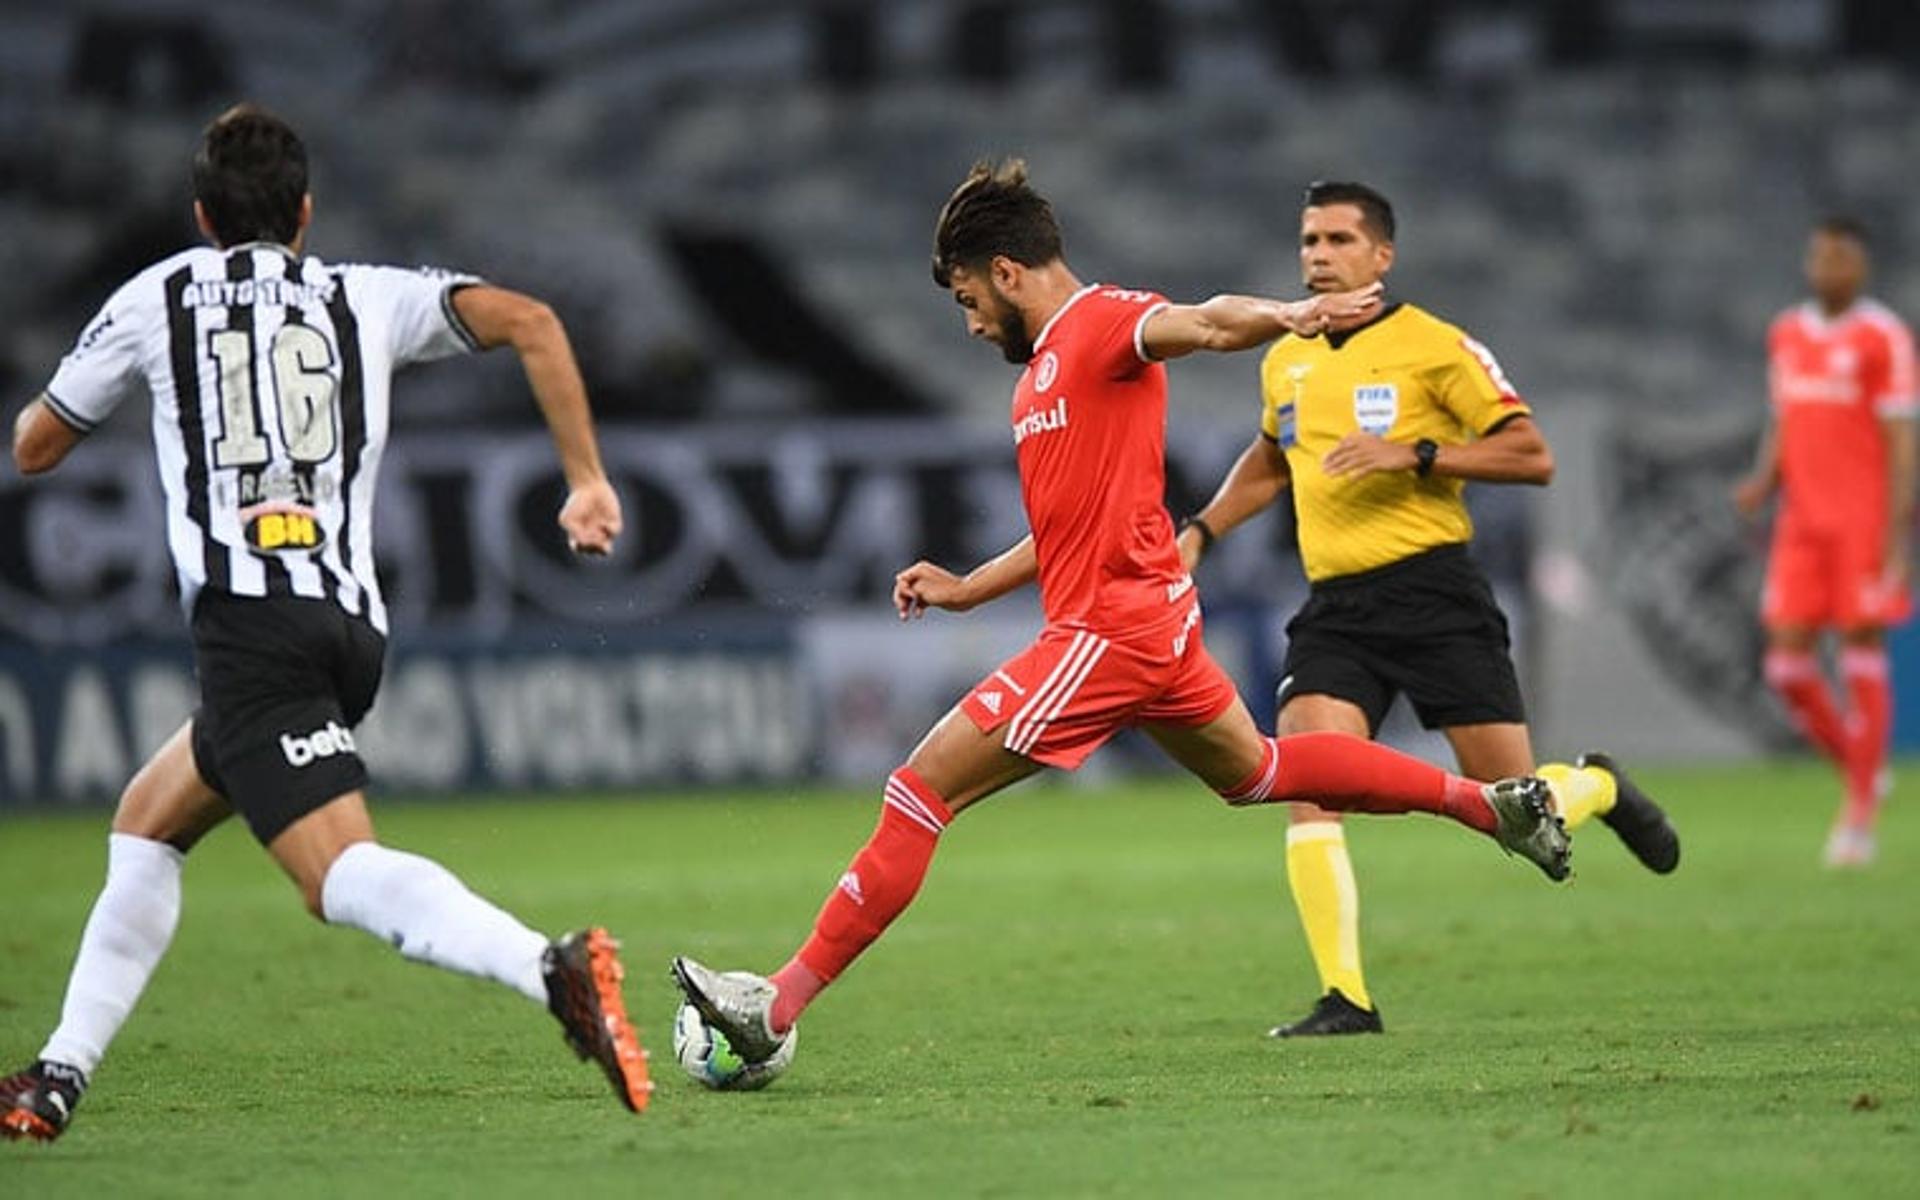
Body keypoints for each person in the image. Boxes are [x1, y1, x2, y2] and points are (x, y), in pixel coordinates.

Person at [669, 160, 1576, 1069]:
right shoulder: (1038, 382)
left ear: (1007, 271)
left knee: (919, 791)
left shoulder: (1102, 323)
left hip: (1108, 633)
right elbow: (1060, 529)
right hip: (1153, 628)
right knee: (1261, 770)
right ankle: (1491, 809)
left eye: (967, 297)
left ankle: (774, 1008)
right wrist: (966, 587)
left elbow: (1209, 321)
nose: (972, 319)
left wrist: (1286, 315)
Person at [2, 105, 649, 1142]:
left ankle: (548, 968)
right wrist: (585, 482)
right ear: (305, 213)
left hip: (248, 624)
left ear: (202, 216)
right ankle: (56, 1076)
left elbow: (36, 447)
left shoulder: (157, 298)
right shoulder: (367, 297)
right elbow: (534, 320)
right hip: (347, 627)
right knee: (147, 822)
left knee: (336, 876)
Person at [1175, 181, 1680, 1039]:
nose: (1318, 256)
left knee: (1511, 804)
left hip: (1436, 594)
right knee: (1310, 780)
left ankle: (1596, 783)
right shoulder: (1286, 356)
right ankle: (1347, 998)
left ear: (1382, 256)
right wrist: (1202, 532)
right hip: (1337, 607)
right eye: (1308, 240)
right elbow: (1270, 457)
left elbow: (1533, 454)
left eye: (1338, 239)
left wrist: (1416, 453)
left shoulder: (1435, 346)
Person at [1734, 216, 1917, 867]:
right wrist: (1762, 482)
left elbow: (1902, 442)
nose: (1830, 269)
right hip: (1802, 523)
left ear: (1861, 268)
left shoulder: (1883, 337)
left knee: (1860, 649)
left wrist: (1899, 536)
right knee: (1785, 665)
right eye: (1821, 258)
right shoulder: (1787, 332)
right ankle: (1862, 768)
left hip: (1863, 522)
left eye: (1842, 259)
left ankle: (1859, 815)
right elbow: (1785, 416)